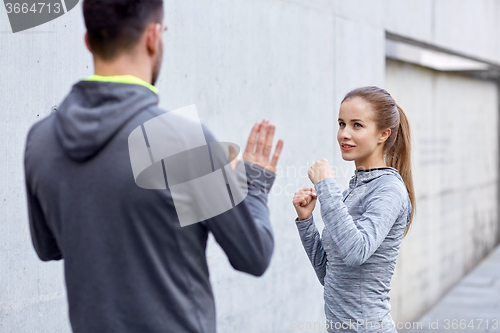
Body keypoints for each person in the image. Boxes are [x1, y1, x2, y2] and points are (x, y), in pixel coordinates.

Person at [23, 0, 283, 332]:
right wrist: (253, 184)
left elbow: (48, 248)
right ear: (153, 36)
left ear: (88, 41)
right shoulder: (179, 140)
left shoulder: (42, 139)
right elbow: (253, 256)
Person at [292, 86, 416, 333]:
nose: (344, 134)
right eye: (341, 124)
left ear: (383, 134)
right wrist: (306, 222)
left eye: (357, 125)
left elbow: (356, 252)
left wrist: (326, 187)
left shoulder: (389, 189)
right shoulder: (351, 192)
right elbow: (329, 275)